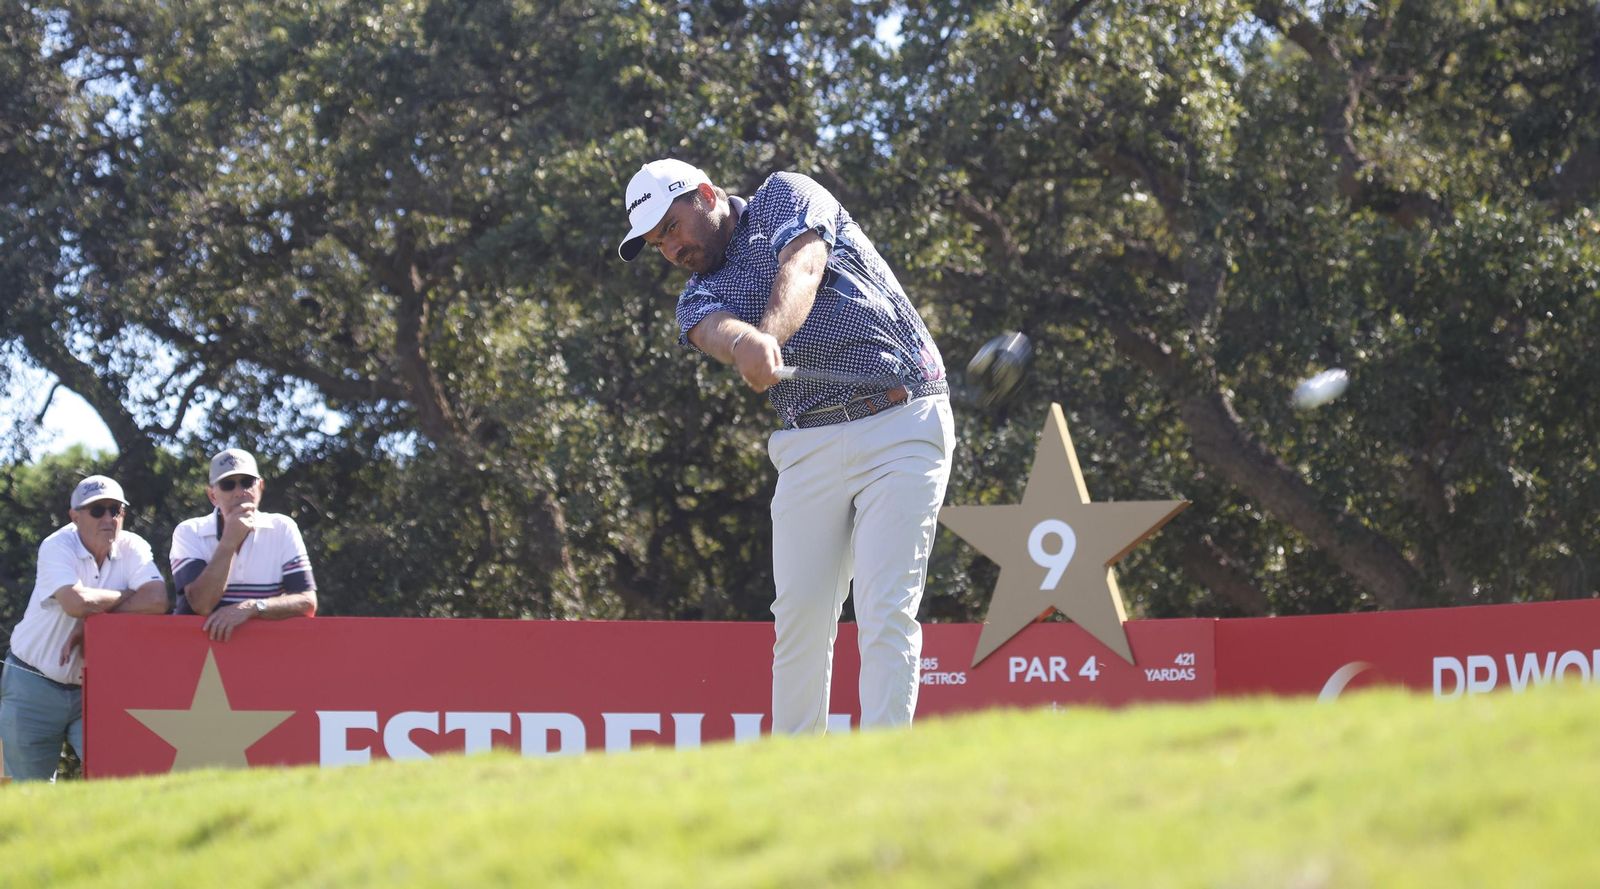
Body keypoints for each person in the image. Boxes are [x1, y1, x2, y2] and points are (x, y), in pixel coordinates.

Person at [618, 159, 956, 733]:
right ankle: (798, 769)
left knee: (884, 608)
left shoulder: (786, 193)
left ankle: (886, 765)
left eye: (672, 227)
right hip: (808, 442)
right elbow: (716, 330)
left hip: (902, 418)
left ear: (707, 195)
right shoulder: (696, 297)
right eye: (657, 244)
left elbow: (804, 265)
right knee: (800, 619)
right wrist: (744, 344)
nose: (671, 250)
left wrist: (768, 338)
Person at [0, 476, 168, 781]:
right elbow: (76, 603)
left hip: (97, 690)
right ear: (74, 516)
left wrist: (94, 616)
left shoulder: (134, 546)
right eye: (97, 510)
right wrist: (126, 596)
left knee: (114, 779)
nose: (108, 518)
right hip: (32, 684)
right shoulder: (56, 545)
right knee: (31, 793)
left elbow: (157, 600)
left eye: (115, 510)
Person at [170, 448, 317, 641]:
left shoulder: (282, 528)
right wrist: (230, 541)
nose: (239, 492)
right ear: (212, 495)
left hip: (260, 649)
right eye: (228, 485)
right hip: (197, 651)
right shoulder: (189, 532)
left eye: (247, 482)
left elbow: (307, 603)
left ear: (260, 487)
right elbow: (202, 605)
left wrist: (252, 607)